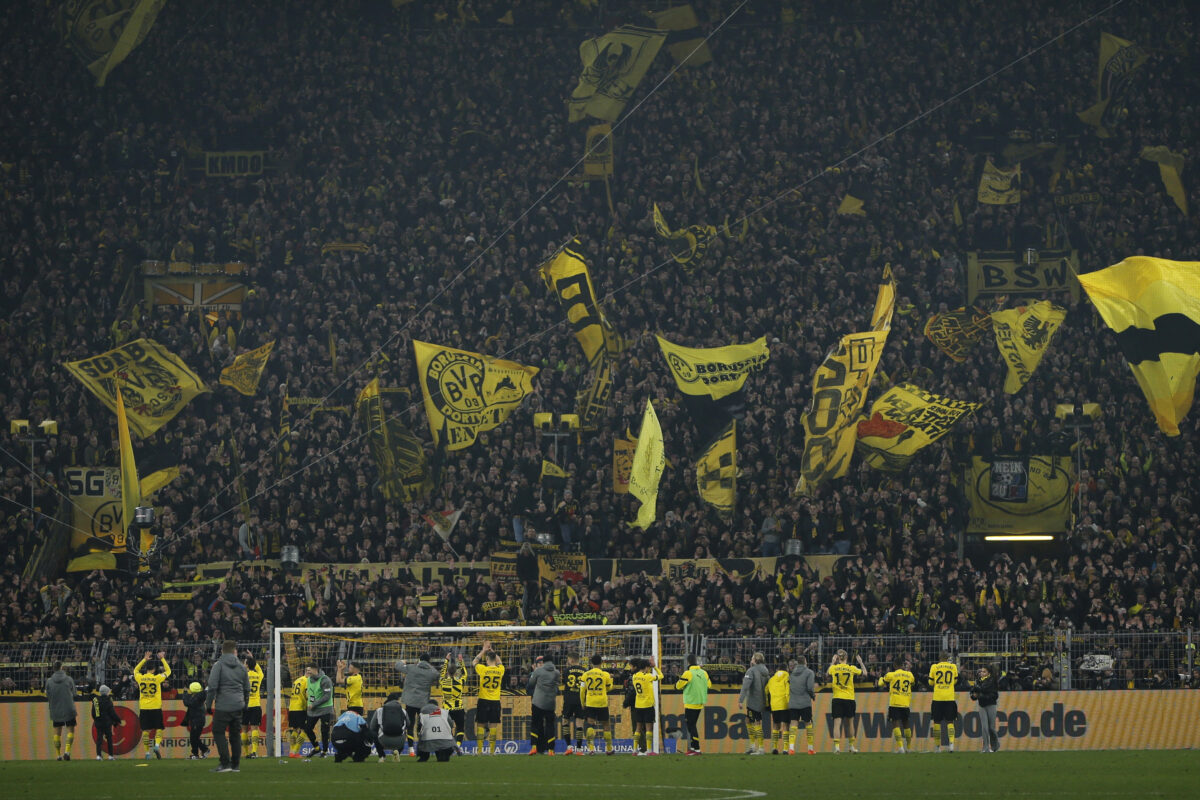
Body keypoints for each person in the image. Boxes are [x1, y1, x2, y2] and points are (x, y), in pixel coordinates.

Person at [206, 640, 250, 774]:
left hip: (223, 705)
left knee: (218, 732)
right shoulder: (242, 667)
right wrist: (245, 704)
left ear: (222, 651)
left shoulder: (218, 665)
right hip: (238, 705)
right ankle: (235, 765)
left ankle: (225, 763)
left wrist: (208, 705)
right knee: (235, 735)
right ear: (234, 651)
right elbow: (247, 688)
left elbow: (212, 687)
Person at [397, 652, 440, 755]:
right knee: (422, 726)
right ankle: (422, 747)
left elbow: (397, 666)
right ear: (429, 662)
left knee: (410, 725)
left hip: (410, 702)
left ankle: (411, 749)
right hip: (423, 703)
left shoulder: (411, 667)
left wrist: (402, 662)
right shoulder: (431, 671)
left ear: (419, 660)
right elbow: (438, 675)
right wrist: (429, 666)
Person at [133, 650, 170, 759]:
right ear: (154, 669)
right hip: (156, 707)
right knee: (159, 728)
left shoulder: (140, 678)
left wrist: (144, 659)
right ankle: (157, 746)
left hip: (144, 708)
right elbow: (168, 671)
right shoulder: (157, 678)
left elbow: (135, 670)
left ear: (146, 668)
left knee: (145, 731)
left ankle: (147, 753)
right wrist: (162, 658)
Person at [828, 649, 866, 753]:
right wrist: (860, 662)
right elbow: (865, 673)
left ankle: (837, 747)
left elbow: (827, 673)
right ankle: (851, 746)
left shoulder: (834, 668)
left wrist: (832, 662)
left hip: (837, 698)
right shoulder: (851, 668)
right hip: (849, 698)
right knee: (850, 723)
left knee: (837, 723)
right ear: (847, 658)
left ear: (838, 658)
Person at [471, 644, 505, 755]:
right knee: (493, 725)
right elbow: (499, 661)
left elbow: (474, 661)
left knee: (481, 724)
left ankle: (479, 751)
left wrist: (483, 650)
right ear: (495, 659)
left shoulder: (483, 669)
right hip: (495, 701)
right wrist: (492, 651)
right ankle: (492, 751)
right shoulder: (500, 670)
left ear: (486, 659)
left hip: (483, 700)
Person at [675, 654, 711, 756]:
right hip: (700, 702)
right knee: (692, 725)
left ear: (688, 662)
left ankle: (697, 749)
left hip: (691, 702)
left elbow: (678, 686)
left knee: (691, 726)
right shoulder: (704, 673)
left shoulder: (688, 673)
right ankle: (693, 748)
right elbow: (709, 685)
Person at [879, 656, 915, 753]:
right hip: (905, 703)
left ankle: (901, 748)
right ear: (903, 665)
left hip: (894, 703)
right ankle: (909, 748)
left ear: (894, 665)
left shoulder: (891, 675)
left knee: (895, 724)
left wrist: (881, 677)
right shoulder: (909, 675)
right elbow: (912, 683)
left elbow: (880, 684)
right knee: (906, 724)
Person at [580, 653, 614, 755]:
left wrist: (582, 702)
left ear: (591, 663)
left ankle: (591, 749)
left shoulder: (585, 675)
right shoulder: (605, 674)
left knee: (590, 724)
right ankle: (609, 748)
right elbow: (609, 688)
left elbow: (582, 691)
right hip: (602, 702)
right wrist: (611, 679)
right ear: (601, 663)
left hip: (590, 702)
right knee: (606, 725)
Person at [737, 651, 770, 755]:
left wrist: (740, 700)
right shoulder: (766, 670)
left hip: (753, 701)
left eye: (752, 658)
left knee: (756, 723)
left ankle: (760, 748)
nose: (751, 660)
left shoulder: (751, 670)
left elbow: (745, 686)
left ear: (755, 660)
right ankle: (752, 746)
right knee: (748, 720)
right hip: (762, 700)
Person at [527, 654, 559, 755]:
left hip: (538, 702)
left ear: (544, 662)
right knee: (550, 725)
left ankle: (534, 747)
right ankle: (551, 750)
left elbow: (531, 683)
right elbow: (556, 686)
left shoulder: (538, 671)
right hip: (550, 703)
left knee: (535, 724)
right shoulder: (557, 672)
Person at [928, 651, 960, 753]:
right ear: (948, 658)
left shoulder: (934, 667)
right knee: (950, 721)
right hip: (949, 697)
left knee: (937, 722)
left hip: (937, 697)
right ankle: (951, 744)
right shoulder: (953, 667)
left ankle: (937, 747)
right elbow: (955, 681)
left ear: (939, 658)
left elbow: (930, 682)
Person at [630, 658, 662, 756]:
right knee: (648, 728)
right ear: (647, 667)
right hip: (648, 705)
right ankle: (649, 750)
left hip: (638, 705)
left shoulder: (634, 676)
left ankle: (634, 750)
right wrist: (655, 667)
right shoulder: (648, 676)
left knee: (638, 728)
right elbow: (661, 676)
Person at [46, 661, 77, 761]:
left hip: (55, 708)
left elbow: (47, 695)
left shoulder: (49, 681)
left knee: (57, 731)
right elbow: (74, 693)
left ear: (53, 668)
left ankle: (58, 755)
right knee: (70, 729)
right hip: (68, 707)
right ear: (61, 667)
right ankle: (67, 752)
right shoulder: (69, 679)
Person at [437, 652, 468, 754]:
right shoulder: (460, 682)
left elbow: (441, 673)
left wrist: (446, 660)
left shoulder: (443, 681)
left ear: (447, 672)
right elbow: (465, 674)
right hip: (458, 709)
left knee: (447, 729)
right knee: (460, 728)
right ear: (455, 673)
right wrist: (461, 662)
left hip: (447, 710)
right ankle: (458, 745)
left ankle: (449, 746)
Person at [304, 662, 336, 758]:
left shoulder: (325, 680)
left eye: (309, 670)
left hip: (325, 709)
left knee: (324, 731)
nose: (307, 672)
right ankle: (316, 747)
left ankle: (325, 751)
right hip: (313, 710)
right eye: (307, 670)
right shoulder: (308, 679)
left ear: (315, 670)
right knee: (307, 728)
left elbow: (327, 696)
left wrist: (314, 704)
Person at [786, 656, 816, 756]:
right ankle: (810, 749)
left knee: (793, 724)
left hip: (793, 702)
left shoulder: (791, 673)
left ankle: (791, 749)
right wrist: (813, 696)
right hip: (805, 702)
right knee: (808, 724)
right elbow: (810, 688)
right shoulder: (809, 672)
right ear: (805, 662)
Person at [369, 692, 409, 762]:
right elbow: (408, 724)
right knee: (404, 730)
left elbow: (372, 727)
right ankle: (397, 752)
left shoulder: (379, 710)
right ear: (397, 700)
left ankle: (382, 756)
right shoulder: (403, 711)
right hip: (400, 741)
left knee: (374, 733)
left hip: (383, 740)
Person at [561, 651, 588, 754]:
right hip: (580, 700)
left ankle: (569, 747)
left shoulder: (566, 671)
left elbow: (564, 682)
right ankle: (579, 749)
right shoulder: (584, 671)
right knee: (579, 723)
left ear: (571, 660)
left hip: (568, 699)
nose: (568, 661)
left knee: (565, 721)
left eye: (568, 660)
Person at [971, 664, 1000, 753]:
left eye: (984, 672)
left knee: (991, 728)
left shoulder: (992, 681)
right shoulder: (978, 681)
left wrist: (978, 693)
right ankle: (985, 748)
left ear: (989, 673)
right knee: (984, 727)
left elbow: (986, 690)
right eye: (981, 671)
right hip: (982, 705)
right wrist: (973, 695)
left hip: (991, 705)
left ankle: (995, 746)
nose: (982, 673)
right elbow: (973, 691)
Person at [241, 652, 264, 758]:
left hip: (244, 705)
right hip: (255, 705)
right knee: (254, 728)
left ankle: (246, 753)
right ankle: (254, 751)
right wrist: (253, 659)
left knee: (244, 729)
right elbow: (259, 670)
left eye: (245, 662)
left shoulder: (242, 676)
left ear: (246, 665)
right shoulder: (258, 675)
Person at [91, 684, 122, 760]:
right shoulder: (108, 700)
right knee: (109, 739)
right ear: (106, 692)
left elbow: (93, 713)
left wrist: (96, 720)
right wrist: (118, 720)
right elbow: (112, 713)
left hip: (98, 722)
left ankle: (98, 755)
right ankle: (110, 755)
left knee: (99, 739)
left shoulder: (95, 700)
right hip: (107, 722)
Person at [765, 662, 790, 755]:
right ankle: (785, 749)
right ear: (787, 669)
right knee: (785, 726)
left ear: (778, 669)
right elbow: (788, 690)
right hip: (785, 704)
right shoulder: (787, 677)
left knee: (776, 726)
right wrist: (789, 702)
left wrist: (767, 703)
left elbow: (765, 691)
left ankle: (775, 747)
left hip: (774, 705)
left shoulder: (771, 679)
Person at [183, 680, 211, 759]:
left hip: (197, 720)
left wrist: (185, 693)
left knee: (194, 738)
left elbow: (187, 703)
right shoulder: (199, 696)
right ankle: (201, 751)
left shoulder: (197, 697)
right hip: (197, 720)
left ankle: (201, 751)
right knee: (194, 738)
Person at [287, 670, 309, 758]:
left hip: (292, 707)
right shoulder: (307, 681)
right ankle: (295, 751)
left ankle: (291, 752)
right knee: (305, 730)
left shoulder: (296, 680)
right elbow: (307, 694)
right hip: (300, 707)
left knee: (295, 730)